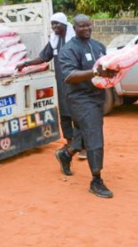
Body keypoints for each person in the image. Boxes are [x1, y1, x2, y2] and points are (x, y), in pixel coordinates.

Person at [55, 14, 118, 198]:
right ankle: (96, 180)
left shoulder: (98, 46)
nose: (86, 29)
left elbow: (107, 67)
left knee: (86, 132)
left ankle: (66, 154)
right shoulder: (68, 50)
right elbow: (69, 75)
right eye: (81, 26)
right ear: (74, 28)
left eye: (88, 25)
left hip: (97, 97)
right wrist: (93, 72)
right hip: (80, 98)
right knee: (94, 134)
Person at [15, 12, 86, 158]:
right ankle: (69, 142)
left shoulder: (75, 41)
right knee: (65, 113)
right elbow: (43, 57)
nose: (54, 27)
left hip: (76, 85)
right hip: (62, 84)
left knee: (77, 115)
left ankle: (83, 146)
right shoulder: (54, 41)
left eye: (57, 24)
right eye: (52, 24)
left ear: (65, 24)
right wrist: (26, 63)